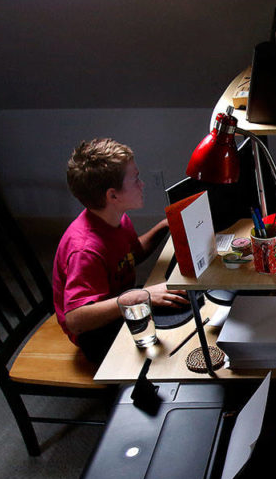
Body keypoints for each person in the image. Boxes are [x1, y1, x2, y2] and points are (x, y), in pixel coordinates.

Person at [52, 139, 187, 363]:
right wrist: (138, 297)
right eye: (135, 179)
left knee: (183, 306)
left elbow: (130, 256)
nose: (142, 184)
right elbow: (76, 319)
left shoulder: (116, 219)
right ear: (113, 196)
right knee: (171, 346)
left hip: (120, 302)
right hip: (94, 333)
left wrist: (165, 226)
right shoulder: (84, 250)